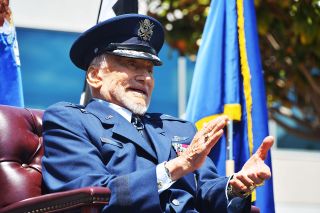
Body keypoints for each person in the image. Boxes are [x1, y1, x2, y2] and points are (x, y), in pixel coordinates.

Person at [42, 14, 273, 213]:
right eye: (132, 64)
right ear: (95, 76)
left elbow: (207, 191)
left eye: (150, 69)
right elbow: (91, 197)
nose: (146, 78)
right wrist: (177, 167)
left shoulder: (180, 128)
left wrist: (236, 185)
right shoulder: (70, 120)